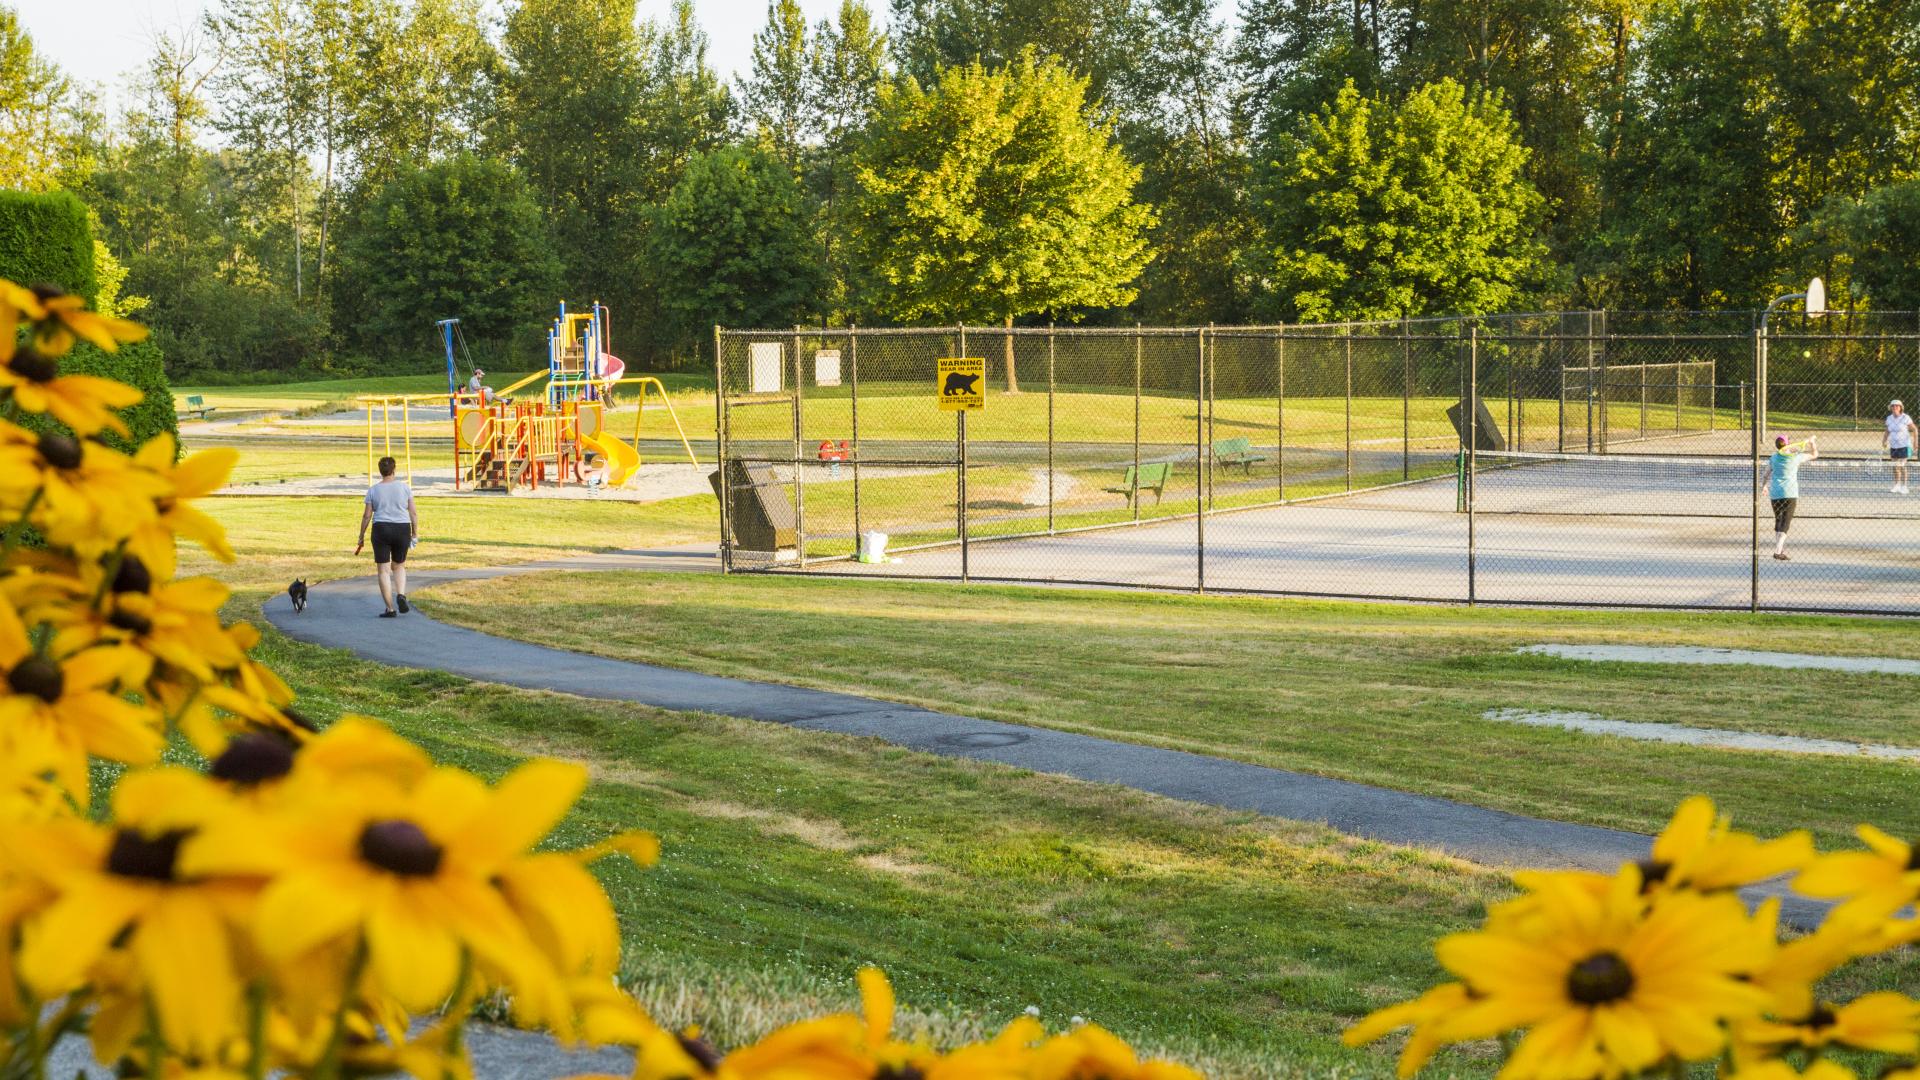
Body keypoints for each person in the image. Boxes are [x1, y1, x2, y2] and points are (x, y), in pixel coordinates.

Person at [355, 456, 418, 616]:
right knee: (399, 565)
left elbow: (367, 515)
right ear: (394, 470)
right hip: (402, 528)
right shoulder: (405, 488)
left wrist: (361, 535)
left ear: (380, 471)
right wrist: (414, 533)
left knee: (383, 570)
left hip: (381, 529)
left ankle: (390, 608)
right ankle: (401, 594)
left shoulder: (373, 490)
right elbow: (413, 512)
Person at [1768, 434, 1816, 561]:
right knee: (1785, 523)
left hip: (1775, 493)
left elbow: (1766, 473)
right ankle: (1778, 551)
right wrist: (1812, 443)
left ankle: (1780, 547)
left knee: (1779, 521)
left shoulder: (1773, 457)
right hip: (1790, 494)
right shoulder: (1796, 458)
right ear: (1788, 444)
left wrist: (1764, 486)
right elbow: (1815, 454)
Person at [1885, 399, 1916, 494]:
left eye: (1897, 406)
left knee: (1902, 465)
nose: (1895, 407)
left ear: (1901, 407)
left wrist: (1916, 442)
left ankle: (1904, 486)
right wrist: (1884, 440)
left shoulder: (1905, 417)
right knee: (1895, 466)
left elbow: (1915, 429)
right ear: (1890, 408)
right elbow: (1887, 431)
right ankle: (1897, 485)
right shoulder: (1889, 418)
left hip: (1904, 445)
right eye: (1893, 406)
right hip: (1893, 446)